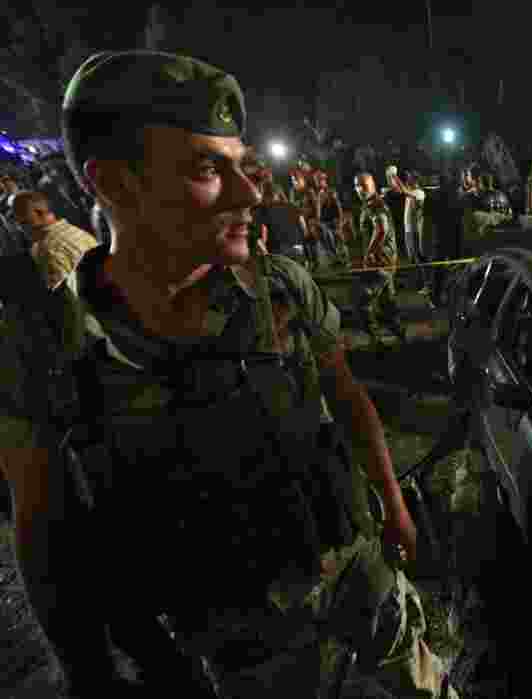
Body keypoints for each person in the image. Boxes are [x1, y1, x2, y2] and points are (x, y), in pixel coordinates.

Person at [0, 49, 453, 698]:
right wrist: (91, 676)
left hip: (353, 567)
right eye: (208, 168)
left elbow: (346, 395)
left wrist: (394, 505)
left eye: (242, 165)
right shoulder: (44, 344)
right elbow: (44, 542)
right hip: (239, 639)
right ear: (114, 183)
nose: (250, 193)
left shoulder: (279, 289)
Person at [355, 172, 406, 349]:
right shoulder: (371, 204)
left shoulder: (375, 205)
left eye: (363, 185)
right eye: (357, 185)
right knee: (387, 302)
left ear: (372, 185)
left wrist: (369, 254)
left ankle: (375, 339)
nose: (359, 189)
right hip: (385, 262)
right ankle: (400, 335)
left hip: (380, 263)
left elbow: (381, 230)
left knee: (363, 302)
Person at [10, 190, 99, 291]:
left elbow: (69, 295)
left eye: (23, 223)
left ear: (39, 212)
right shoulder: (77, 231)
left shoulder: (46, 249)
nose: (21, 229)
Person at [388, 169, 431, 297]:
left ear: (415, 180)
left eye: (410, 178)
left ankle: (427, 285)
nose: (407, 181)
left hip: (415, 231)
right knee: (412, 258)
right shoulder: (411, 191)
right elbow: (399, 189)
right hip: (408, 230)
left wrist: (395, 175)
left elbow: (404, 191)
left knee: (419, 258)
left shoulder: (419, 193)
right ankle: (419, 283)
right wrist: (392, 178)